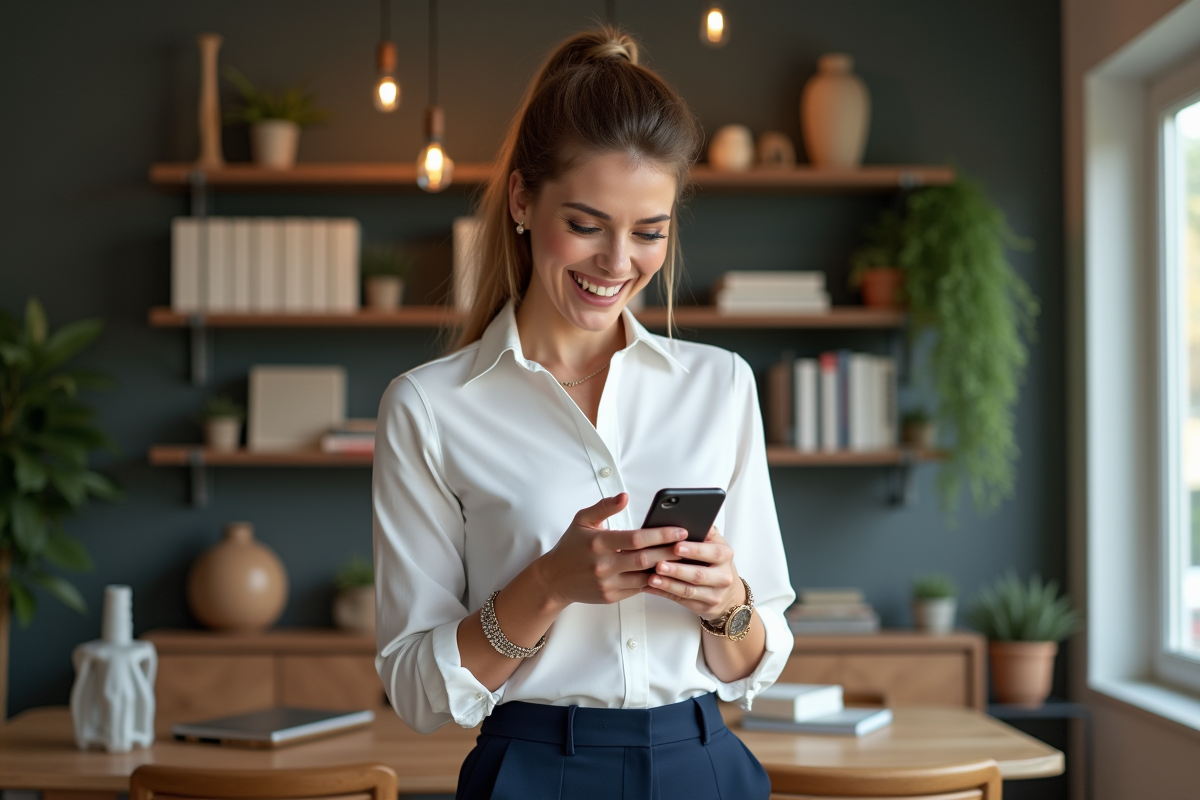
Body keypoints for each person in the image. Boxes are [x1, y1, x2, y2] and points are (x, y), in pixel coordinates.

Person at [373, 25, 795, 800]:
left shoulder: (722, 386)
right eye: (587, 224)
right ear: (523, 200)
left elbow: (750, 666)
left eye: (649, 233)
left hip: (702, 763)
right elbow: (415, 691)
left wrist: (727, 605)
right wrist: (548, 585)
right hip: (532, 771)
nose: (617, 263)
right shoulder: (429, 409)